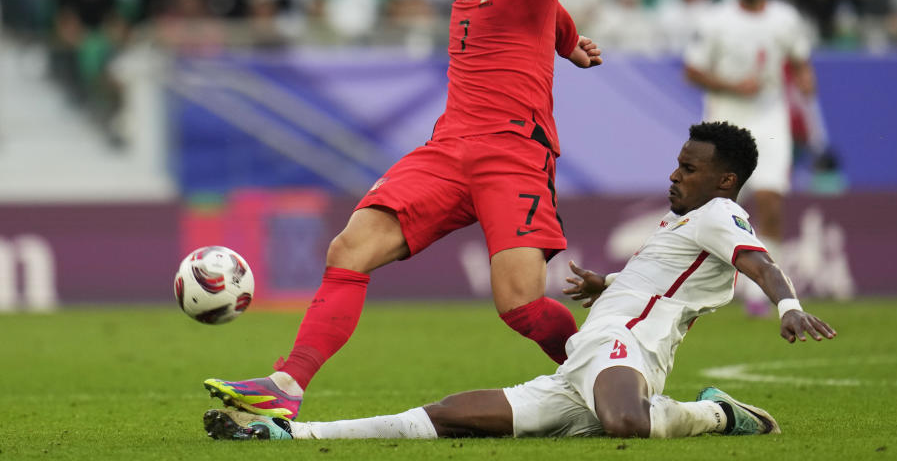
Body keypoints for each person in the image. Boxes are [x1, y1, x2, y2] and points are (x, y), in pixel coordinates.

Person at [203, 0, 606, 420]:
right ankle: (286, 385)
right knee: (349, 249)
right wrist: (569, 43)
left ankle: (596, 383)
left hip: (512, 154)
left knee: (521, 306)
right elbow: (544, 13)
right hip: (447, 149)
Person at [203, 121, 836, 442]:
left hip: (626, 349)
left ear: (725, 181)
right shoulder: (688, 220)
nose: (676, 176)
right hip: (595, 350)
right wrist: (610, 283)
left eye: (690, 169)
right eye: (677, 164)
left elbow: (758, 261)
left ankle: (718, 416)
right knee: (450, 418)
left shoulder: (721, 214)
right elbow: (666, 280)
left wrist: (787, 304)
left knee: (623, 423)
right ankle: (290, 433)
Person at [684, 0, 817, 316]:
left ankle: (759, 294)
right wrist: (731, 85)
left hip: (769, 120)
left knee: (771, 200)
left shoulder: (785, 18)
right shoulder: (716, 20)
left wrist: (806, 81)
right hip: (725, 123)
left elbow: (800, 61)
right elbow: (692, 70)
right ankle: (699, 287)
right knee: (719, 208)